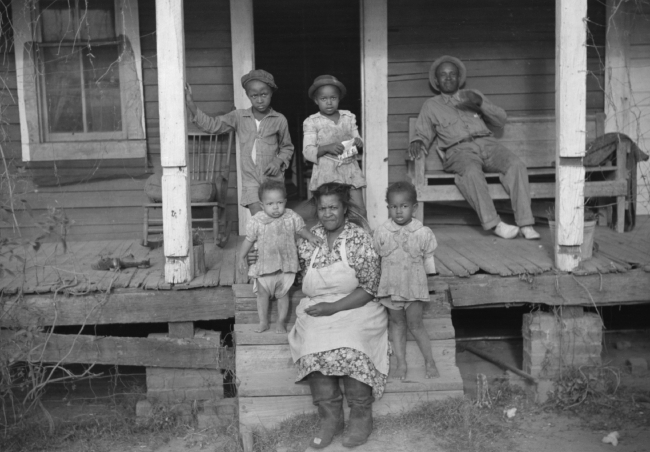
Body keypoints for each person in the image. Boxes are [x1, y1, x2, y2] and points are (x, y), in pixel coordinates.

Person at [288, 183, 388, 449]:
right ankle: (330, 419)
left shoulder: (359, 238)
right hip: (317, 304)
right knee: (312, 342)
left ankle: (360, 416)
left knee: (352, 341)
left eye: (333, 207)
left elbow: (370, 288)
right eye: (322, 208)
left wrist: (334, 308)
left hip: (358, 305)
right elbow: (296, 275)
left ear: (345, 208)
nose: (327, 213)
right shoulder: (309, 239)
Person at [408, 55, 540, 240]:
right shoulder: (431, 105)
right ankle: (495, 224)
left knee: (516, 165)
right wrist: (417, 141)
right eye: (443, 75)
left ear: (459, 78)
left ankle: (526, 224)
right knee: (471, 172)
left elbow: (500, 120)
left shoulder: (472, 95)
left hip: (488, 144)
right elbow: (422, 133)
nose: (448, 78)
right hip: (459, 151)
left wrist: (479, 102)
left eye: (452, 74)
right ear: (437, 81)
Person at [185, 69, 293, 215]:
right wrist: (191, 103)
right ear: (248, 95)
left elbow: (287, 147)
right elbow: (212, 125)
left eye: (264, 95)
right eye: (254, 96)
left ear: (271, 93)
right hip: (251, 180)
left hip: (273, 179)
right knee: (259, 219)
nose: (260, 100)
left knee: (275, 218)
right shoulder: (239, 117)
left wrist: (278, 161)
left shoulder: (279, 120)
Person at [374, 181, 439, 380]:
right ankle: (401, 363)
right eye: (394, 207)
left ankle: (430, 361)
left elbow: (428, 258)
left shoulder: (422, 233)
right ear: (388, 208)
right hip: (391, 286)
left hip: (414, 286)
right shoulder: (382, 232)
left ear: (414, 207)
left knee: (415, 324)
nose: (399, 211)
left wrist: (431, 280)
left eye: (404, 206)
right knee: (397, 324)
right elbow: (377, 258)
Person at [238, 181, 322, 334]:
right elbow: (248, 240)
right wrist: (241, 257)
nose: (275, 207)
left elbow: (301, 229)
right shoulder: (257, 220)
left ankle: (281, 322)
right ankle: (263, 321)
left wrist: (310, 236)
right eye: (270, 204)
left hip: (286, 265)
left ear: (285, 202)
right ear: (262, 205)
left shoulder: (291, 217)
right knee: (262, 294)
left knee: (283, 295)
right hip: (264, 266)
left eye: (279, 203)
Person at [303, 75, 367, 219]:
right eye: (324, 99)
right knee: (330, 212)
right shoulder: (312, 121)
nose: (329, 102)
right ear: (316, 100)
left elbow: (358, 140)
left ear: (339, 98)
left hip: (349, 169)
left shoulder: (348, 117)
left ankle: (361, 239)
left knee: (359, 211)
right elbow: (307, 152)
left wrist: (358, 143)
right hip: (326, 172)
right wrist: (326, 147)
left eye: (333, 98)